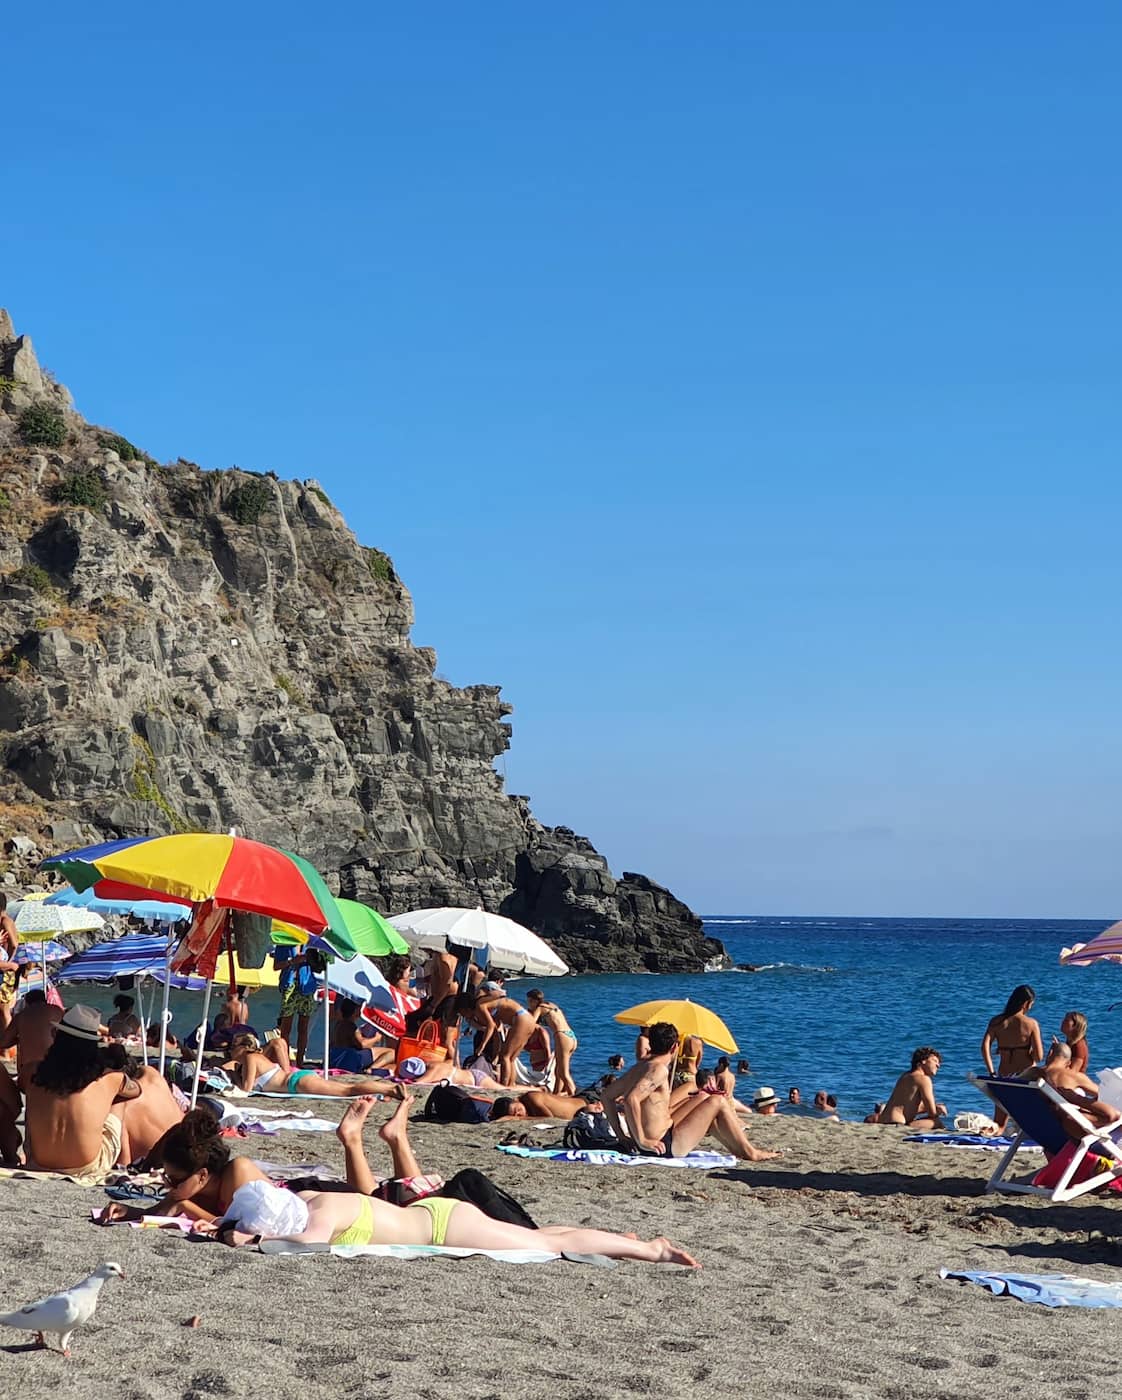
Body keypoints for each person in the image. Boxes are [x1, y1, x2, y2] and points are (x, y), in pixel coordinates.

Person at [213, 1174, 700, 1266]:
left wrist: (247, 1241)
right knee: (537, 1236)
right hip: (437, 1216)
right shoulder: (315, 1198)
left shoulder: (322, 1215)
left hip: (446, 1228)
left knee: (546, 1246)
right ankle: (618, 1240)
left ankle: (649, 1249)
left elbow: (304, 1247)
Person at [601, 1022, 780, 1162]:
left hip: (661, 1134)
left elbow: (607, 1096)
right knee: (717, 1101)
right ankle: (750, 1152)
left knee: (703, 1098)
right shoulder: (659, 1070)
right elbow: (632, 1099)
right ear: (674, 1048)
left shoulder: (640, 1066)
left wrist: (622, 1136)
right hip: (663, 1146)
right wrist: (642, 1140)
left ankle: (740, 1150)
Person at [98, 1107, 272, 1226]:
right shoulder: (188, 1187)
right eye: (166, 1177)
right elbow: (157, 1212)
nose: (168, 1185)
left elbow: (240, 1227)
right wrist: (127, 1212)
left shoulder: (237, 1173)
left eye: (174, 1180)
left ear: (202, 1175)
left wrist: (186, 1207)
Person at [25, 1004, 140, 1173]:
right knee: (119, 1099)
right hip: (87, 1164)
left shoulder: (31, 1071)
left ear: (56, 1036)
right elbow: (137, 1090)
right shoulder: (110, 1079)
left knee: (34, 1102)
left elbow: (23, 1087)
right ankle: (125, 1161)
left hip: (39, 1160)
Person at [226, 1033, 400, 1098]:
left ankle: (389, 1089)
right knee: (347, 1089)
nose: (231, 1051)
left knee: (348, 1090)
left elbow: (246, 1089)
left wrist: (234, 1076)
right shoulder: (256, 1058)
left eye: (233, 1047)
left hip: (296, 1083)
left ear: (243, 1048)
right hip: (296, 1081)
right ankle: (386, 1090)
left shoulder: (251, 1058)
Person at [100, 1044, 184, 1165]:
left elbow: (123, 1162)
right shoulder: (152, 1075)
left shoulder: (118, 1108)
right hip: (185, 1141)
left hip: (164, 1161)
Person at [981, 985, 1043, 1129]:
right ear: (1026, 1003)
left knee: (999, 1123)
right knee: (1030, 1119)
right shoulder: (1031, 1024)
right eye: (1031, 1004)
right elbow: (1039, 1057)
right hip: (1025, 1077)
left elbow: (984, 1047)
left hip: (1004, 1076)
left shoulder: (997, 1022)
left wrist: (991, 1072)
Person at [1034, 1041, 1120, 1133]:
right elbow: (1104, 1093)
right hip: (1067, 1128)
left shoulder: (1030, 1074)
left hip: (1037, 1123)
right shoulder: (1073, 1076)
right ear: (1068, 1063)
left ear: (1050, 1053)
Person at [468, 986, 543, 1086]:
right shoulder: (492, 1006)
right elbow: (496, 1033)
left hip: (521, 1019)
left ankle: (504, 1085)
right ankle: (510, 1085)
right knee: (511, 1058)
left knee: (505, 1057)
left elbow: (490, 1026)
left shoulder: (480, 1006)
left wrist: (482, 1045)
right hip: (528, 1019)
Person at [0, 988, 62, 1089]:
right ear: (44, 1000)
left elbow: (3, 1043)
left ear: (27, 1003)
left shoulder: (21, 1016)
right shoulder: (57, 1011)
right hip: (55, 1067)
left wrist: (21, 1038)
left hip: (29, 1073)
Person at [874, 1047, 947, 1129]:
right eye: (935, 1061)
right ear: (923, 1061)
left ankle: (883, 1108)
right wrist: (938, 1111)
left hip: (886, 1121)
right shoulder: (924, 1079)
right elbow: (932, 1113)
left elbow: (908, 1105)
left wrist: (935, 1107)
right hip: (898, 1124)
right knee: (936, 1122)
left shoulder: (906, 1075)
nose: (938, 1065)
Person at [273, 947, 322, 1066]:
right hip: (290, 985)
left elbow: (320, 966)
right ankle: (285, 1062)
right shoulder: (285, 943)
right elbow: (276, 966)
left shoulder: (311, 944)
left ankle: (300, 1062)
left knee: (303, 1027)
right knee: (285, 1028)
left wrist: (312, 959)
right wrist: (292, 961)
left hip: (307, 985)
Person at [525, 990, 578, 1095]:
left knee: (563, 1073)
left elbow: (530, 1023)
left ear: (533, 1001)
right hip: (571, 1036)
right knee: (558, 1070)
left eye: (529, 1002)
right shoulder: (551, 1005)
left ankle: (574, 1096)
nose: (529, 1004)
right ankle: (556, 1095)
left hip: (561, 1036)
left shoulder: (540, 1008)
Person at [330, 998, 396, 1074]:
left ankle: (372, 1068)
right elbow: (363, 1044)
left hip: (338, 1057)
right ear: (356, 1011)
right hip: (349, 1058)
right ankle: (372, 1069)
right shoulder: (350, 1026)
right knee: (392, 1052)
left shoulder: (339, 1024)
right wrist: (376, 1038)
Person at [490, 1088, 598, 1120]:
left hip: (589, 1102)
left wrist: (517, 1119)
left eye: (517, 1109)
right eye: (516, 1115)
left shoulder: (531, 1098)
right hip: (582, 1104)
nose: (519, 1113)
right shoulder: (528, 1105)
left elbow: (548, 1118)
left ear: (516, 1100)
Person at [0, 895, 21, 1044]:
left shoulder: (5, 921)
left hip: (5, 970)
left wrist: (8, 961)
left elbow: (14, 943)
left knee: (3, 1009)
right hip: (6, 968)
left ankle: (7, 1045)